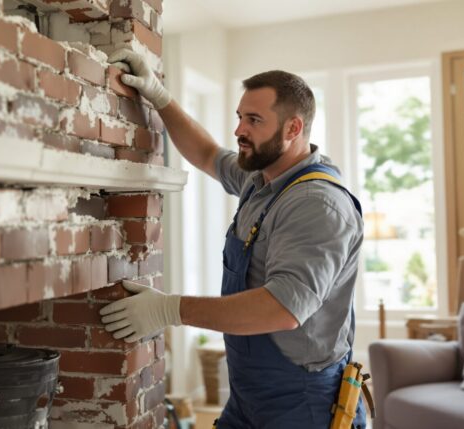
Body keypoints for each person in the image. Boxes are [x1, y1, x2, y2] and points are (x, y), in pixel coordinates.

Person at [99, 49, 367, 428]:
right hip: (249, 396)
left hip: (303, 404)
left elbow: (282, 309)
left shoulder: (316, 203)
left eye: (254, 120)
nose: (240, 129)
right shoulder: (263, 178)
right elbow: (207, 153)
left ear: (293, 128)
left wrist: (169, 310)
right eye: (240, 117)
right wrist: (160, 97)